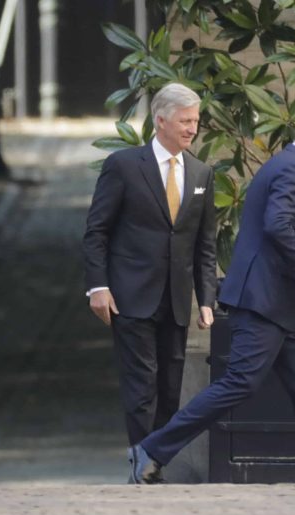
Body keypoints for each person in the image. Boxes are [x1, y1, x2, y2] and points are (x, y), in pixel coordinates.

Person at [129, 109, 295, 485]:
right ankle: (151, 450)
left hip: (283, 307)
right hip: (263, 302)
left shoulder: (289, 167)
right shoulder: (289, 169)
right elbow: (278, 224)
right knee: (240, 382)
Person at [82, 83, 216, 480]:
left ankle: (154, 460)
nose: (193, 128)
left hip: (176, 299)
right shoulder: (124, 166)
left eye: (195, 120)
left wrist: (206, 299)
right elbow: (96, 231)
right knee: (141, 386)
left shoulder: (202, 173)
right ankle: (142, 466)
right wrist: (98, 286)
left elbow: (204, 244)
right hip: (130, 296)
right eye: (185, 120)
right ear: (160, 121)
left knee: (170, 387)